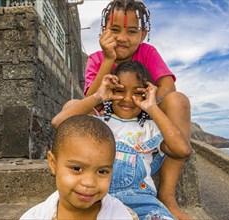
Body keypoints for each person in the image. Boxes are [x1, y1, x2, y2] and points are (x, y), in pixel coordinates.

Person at [83, 1, 192, 219]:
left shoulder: (147, 52)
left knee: (178, 100)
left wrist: (142, 104)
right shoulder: (97, 58)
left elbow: (168, 86)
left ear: (142, 35)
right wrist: (109, 59)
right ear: (103, 31)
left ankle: (167, 196)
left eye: (131, 31)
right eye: (115, 30)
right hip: (105, 120)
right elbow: (91, 100)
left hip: (145, 118)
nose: (122, 37)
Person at [52, 61, 192, 220]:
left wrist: (152, 107)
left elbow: (182, 150)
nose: (127, 99)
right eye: (120, 90)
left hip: (141, 201)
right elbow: (59, 123)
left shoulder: (150, 127)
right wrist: (98, 96)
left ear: (147, 92)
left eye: (137, 92)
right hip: (95, 198)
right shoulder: (96, 123)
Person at [21, 115, 138, 220]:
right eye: (77, 169)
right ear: (53, 163)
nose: (89, 183)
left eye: (102, 171)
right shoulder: (34, 216)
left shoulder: (123, 215)